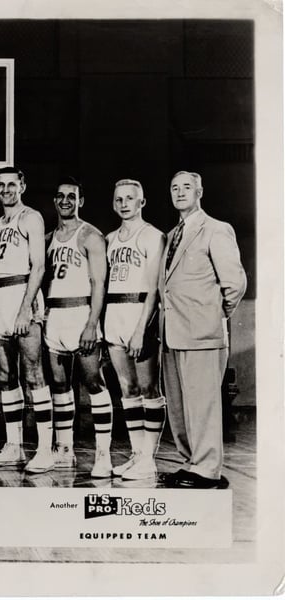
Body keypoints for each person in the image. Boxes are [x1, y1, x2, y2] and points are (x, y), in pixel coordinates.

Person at [159, 171, 246, 489]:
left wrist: (213, 316)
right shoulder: (172, 235)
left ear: (199, 192)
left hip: (203, 334)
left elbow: (234, 284)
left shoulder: (216, 229)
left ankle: (207, 470)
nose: (180, 192)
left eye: (187, 187)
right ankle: (191, 463)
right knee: (180, 407)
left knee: (203, 405)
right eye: (174, 188)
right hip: (173, 333)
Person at [0, 167, 54, 473]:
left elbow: (39, 266)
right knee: (5, 375)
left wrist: (26, 308)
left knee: (33, 373)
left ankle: (45, 449)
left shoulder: (31, 217)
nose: (7, 189)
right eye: (2, 185)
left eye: (12, 184)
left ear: (22, 186)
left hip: (22, 291)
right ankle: (14, 446)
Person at [44, 176, 113, 477]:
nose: (65, 201)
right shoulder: (48, 238)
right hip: (54, 316)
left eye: (71, 196)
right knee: (59, 385)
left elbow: (99, 284)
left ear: (80, 201)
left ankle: (103, 455)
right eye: (60, 196)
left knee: (94, 383)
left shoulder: (91, 236)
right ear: (55, 200)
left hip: (80, 313)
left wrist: (91, 324)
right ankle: (64, 449)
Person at [104, 179, 166, 481]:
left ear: (142, 202)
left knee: (149, 388)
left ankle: (149, 459)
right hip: (114, 314)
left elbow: (154, 288)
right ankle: (137, 454)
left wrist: (141, 328)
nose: (124, 203)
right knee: (127, 389)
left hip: (140, 313)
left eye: (130, 198)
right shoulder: (109, 239)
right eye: (119, 199)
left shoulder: (153, 236)